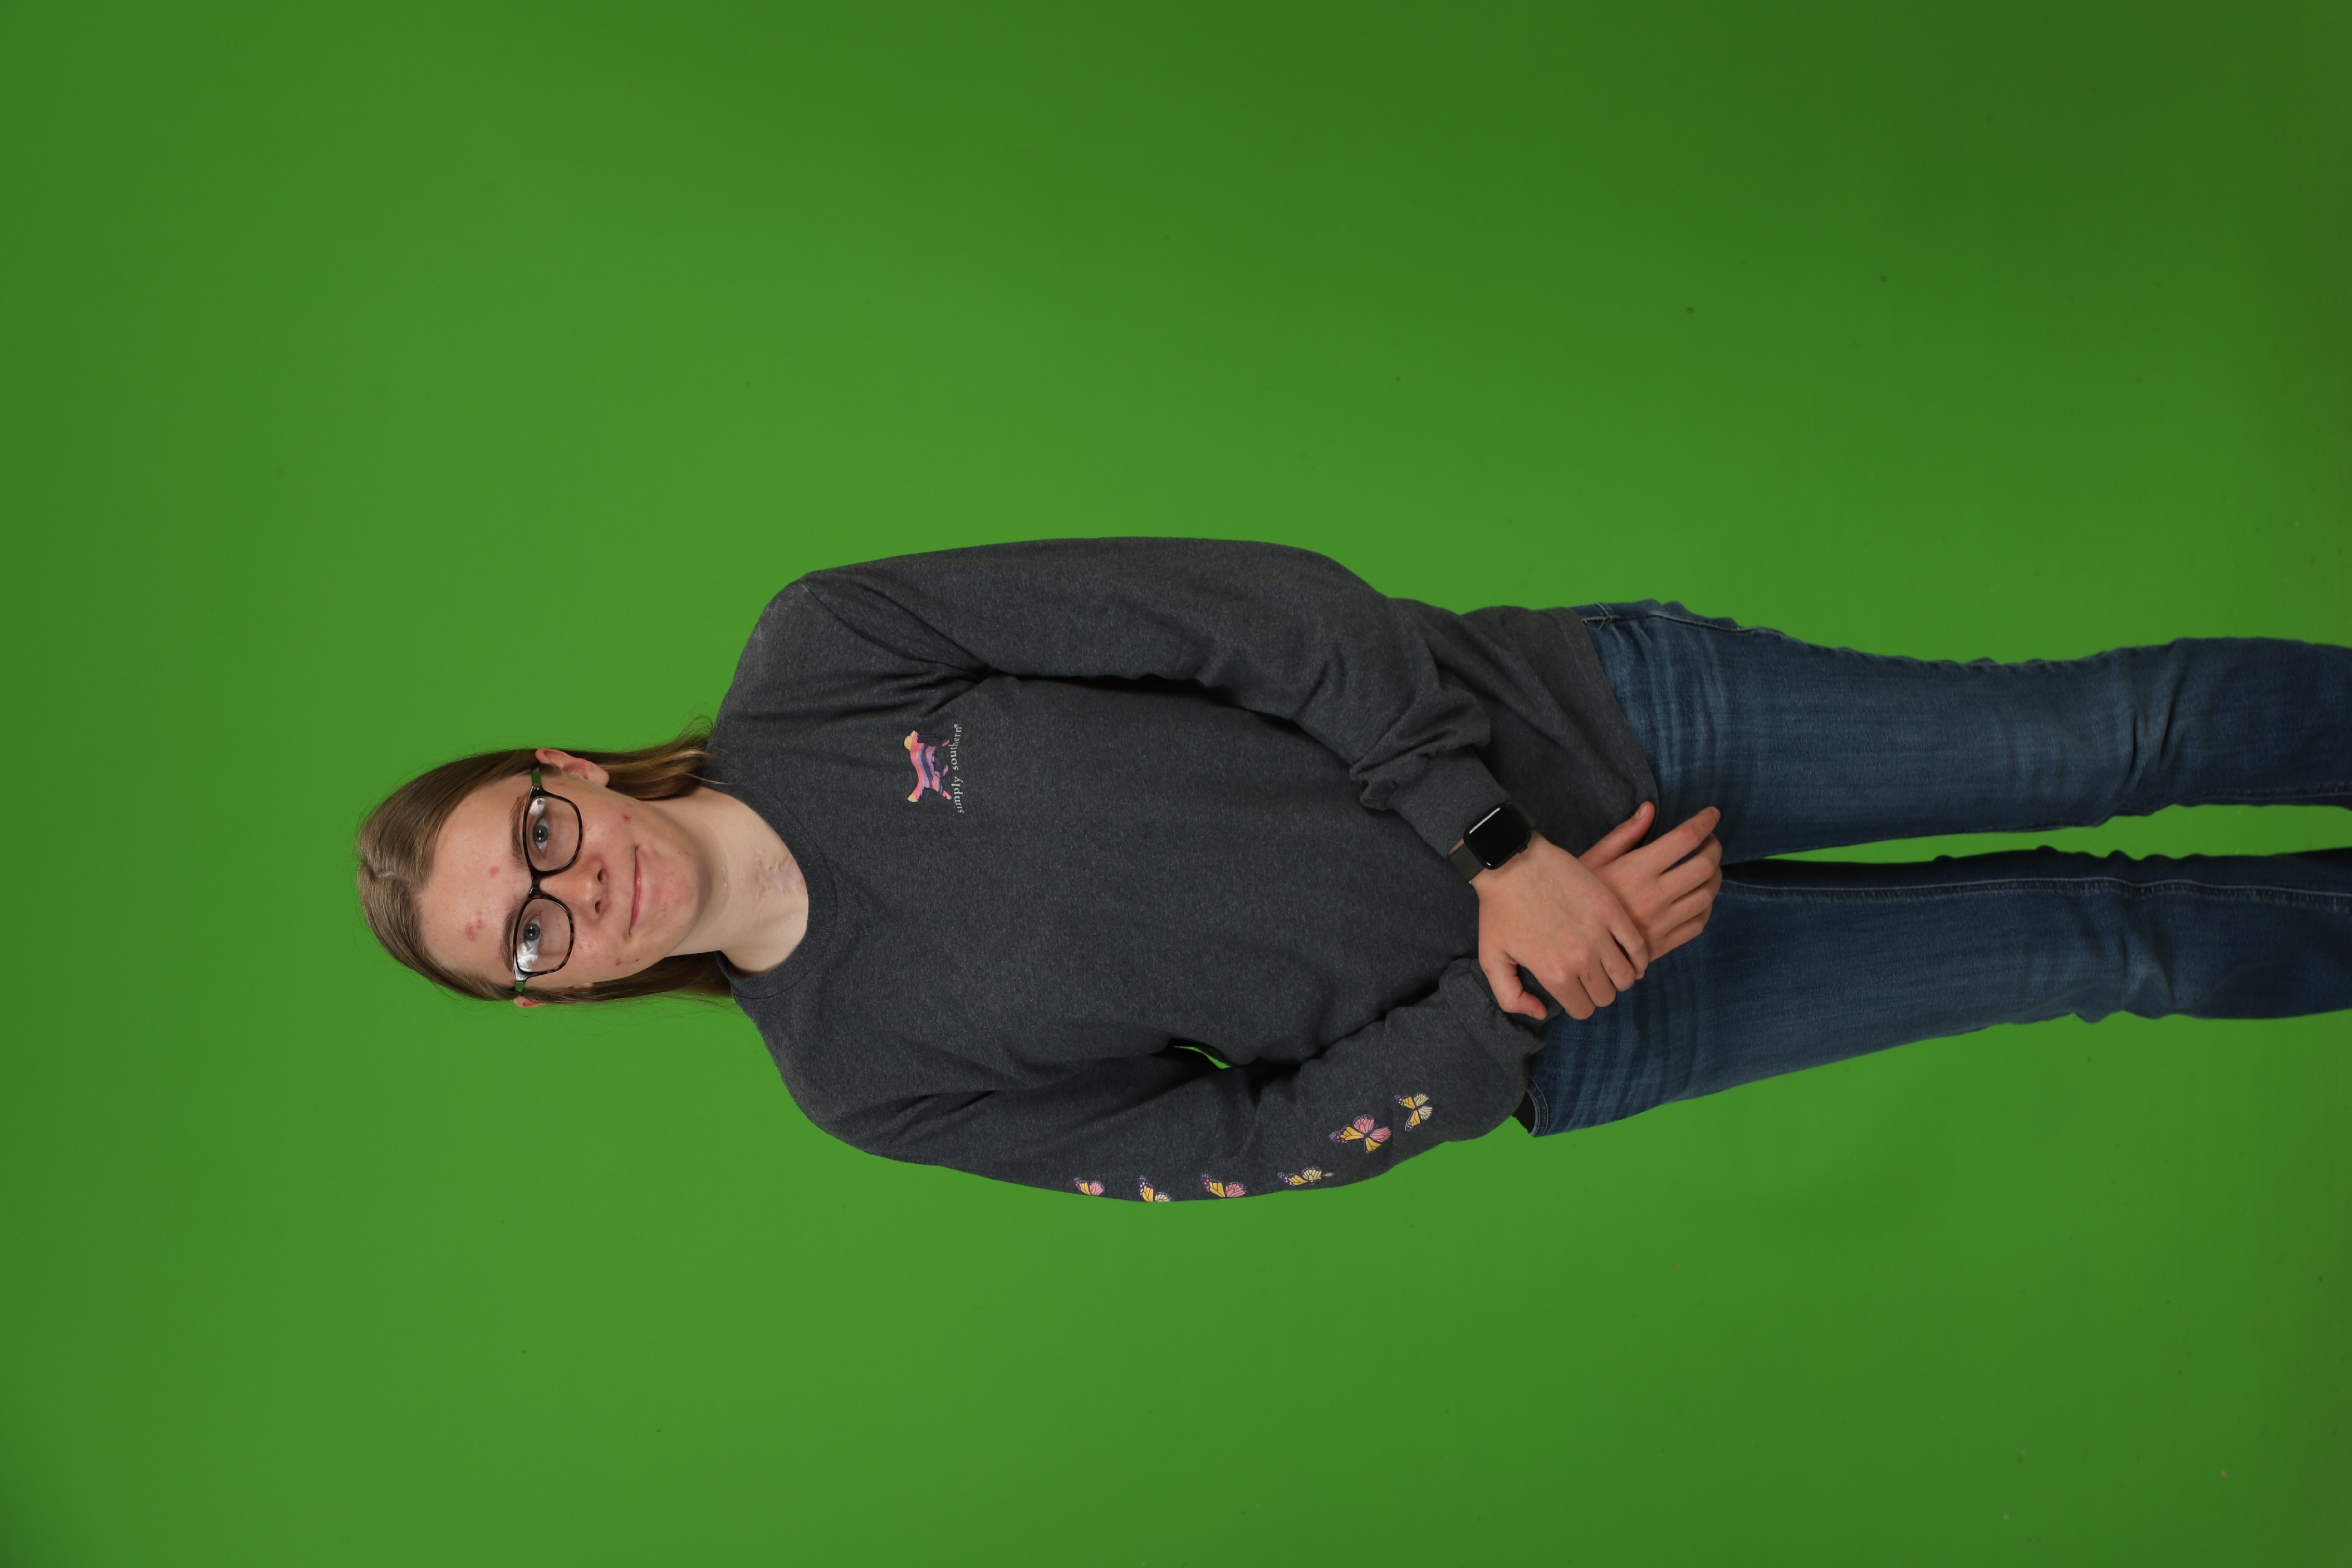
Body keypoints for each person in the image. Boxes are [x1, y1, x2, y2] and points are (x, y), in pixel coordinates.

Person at [355, 538, 2352, 1200]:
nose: (571, 892)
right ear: (564, 990)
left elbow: (1258, 616)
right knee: (2108, 944)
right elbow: (1230, 1148)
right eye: (524, 939)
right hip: (1591, 1021)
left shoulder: (827, 658)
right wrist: (1505, 999)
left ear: (563, 769)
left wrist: (1496, 846)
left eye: (535, 837)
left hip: (1602, 734)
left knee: (2112, 737)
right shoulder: (861, 1079)